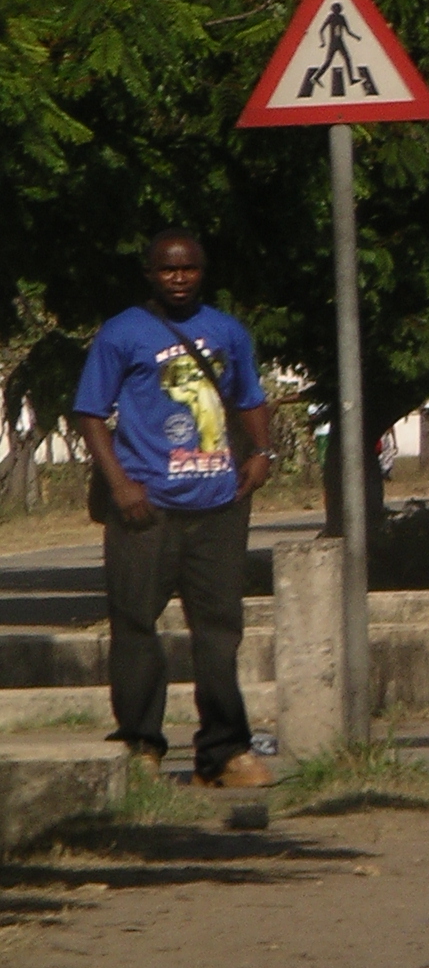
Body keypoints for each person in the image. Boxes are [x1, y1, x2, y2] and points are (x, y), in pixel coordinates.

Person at [71, 228, 276, 788]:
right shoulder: (122, 333)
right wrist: (120, 485)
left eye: (189, 269)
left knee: (219, 631)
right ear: (150, 274)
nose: (179, 278)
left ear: (203, 272)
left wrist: (263, 452)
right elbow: (90, 413)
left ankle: (225, 752)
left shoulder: (227, 330)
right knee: (136, 625)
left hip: (218, 504)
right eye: (167, 269)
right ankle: (141, 744)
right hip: (147, 508)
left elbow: (249, 397)